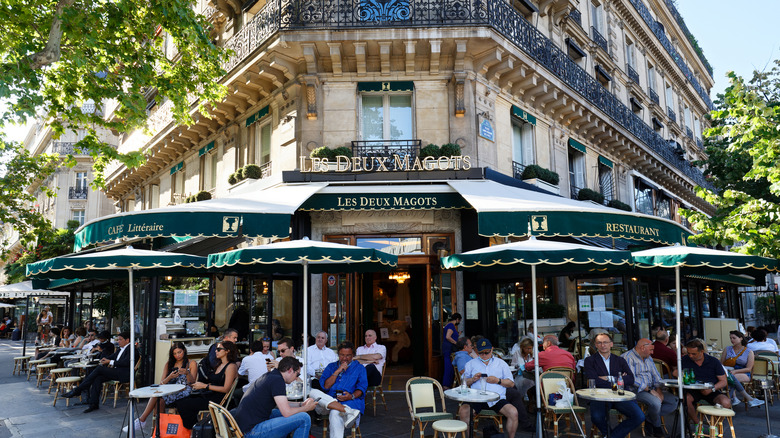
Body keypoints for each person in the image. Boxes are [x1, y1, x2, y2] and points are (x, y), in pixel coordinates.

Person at [231, 356, 318, 438]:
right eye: (297, 375)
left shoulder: (271, 376)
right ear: (290, 370)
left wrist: (301, 404)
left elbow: (283, 404)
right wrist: (306, 408)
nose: (296, 379)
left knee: (278, 412)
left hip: (244, 427)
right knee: (304, 418)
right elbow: (286, 412)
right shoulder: (277, 380)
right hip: (251, 431)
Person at [125, 342, 198, 432]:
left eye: (179, 352)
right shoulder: (169, 364)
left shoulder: (191, 363)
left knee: (158, 398)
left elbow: (192, 382)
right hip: (170, 390)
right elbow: (161, 383)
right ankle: (158, 429)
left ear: (184, 351)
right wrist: (170, 377)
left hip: (184, 390)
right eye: (175, 353)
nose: (177, 355)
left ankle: (147, 423)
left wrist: (187, 373)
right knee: (158, 397)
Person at [583, 332, 644, 438]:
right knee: (597, 417)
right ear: (596, 345)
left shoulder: (620, 360)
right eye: (599, 343)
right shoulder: (590, 361)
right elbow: (594, 381)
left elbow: (630, 378)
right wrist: (619, 379)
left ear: (611, 344)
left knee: (639, 416)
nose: (603, 345)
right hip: (600, 395)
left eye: (605, 342)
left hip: (620, 395)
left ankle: (611, 436)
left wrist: (609, 378)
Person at [459, 338, 523, 438]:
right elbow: (463, 382)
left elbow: (511, 383)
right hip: (476, 398)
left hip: (496, 399)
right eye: (481, 353)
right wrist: (473, 379)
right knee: (463, 411)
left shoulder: (501, 363)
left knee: (513, 412)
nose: (484, 355)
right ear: (477, 352)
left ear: (492, 349)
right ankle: (467, 437)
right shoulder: (471, 364)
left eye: (487, 352)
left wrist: (498, 380)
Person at [62, 332, 137, 413]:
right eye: (118, 339)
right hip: (116, 372)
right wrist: (104, 359)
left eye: (120, 340)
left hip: (124, 374)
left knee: (99, 369)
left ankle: (78, 390)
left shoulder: (132, 349)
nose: (118, 341)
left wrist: (110, 361)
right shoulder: (120, 349)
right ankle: (93, 404)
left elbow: (126, 363)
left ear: (127, 340)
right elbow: (111, 357)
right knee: (97, 378)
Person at [175, 340, 239, 429]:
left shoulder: (231, 366)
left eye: (219, 349)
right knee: (181, 401)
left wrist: (205, 386)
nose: (216, 351)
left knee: (183, 404)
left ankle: (194, 429)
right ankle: (196, 428)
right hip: (210, 395)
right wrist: (200, 385)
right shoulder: (219, 364)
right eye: (216, 349)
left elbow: (226, 389)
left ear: (227, 351)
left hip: (218, 400)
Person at [622, 338, 677, 438]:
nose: (652, 353)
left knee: (674, 401)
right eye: (651, 350)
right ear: (642, 348)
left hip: (652, 388)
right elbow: (631, 379)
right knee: (656, 403)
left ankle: (647, 419)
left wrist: (658, 390)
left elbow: (656, 375)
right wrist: (650, 390)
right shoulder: (628, 357)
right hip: (636, 390)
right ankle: (656, 427)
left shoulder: (648, 357)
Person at [315, 341, 365, 438]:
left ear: (353, 355)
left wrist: (351, 396)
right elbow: (326, 386)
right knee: (314, 393)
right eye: (342, 355)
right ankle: (347, 412)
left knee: (335, 413)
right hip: (330, 401)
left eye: (348, 355)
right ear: (338, 354)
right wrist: (337, 371)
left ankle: (347, 411)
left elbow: (362, 388)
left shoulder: (359, 368)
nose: (345, 358)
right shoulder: (331, 367)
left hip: (350, 402)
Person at [681, 339, 731, 425]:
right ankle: (697, 424)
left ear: (702, 352)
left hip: (711, 389)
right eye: (688, 353)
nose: (690, 356)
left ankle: (714, 425)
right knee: (685, 399)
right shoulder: (685, 360)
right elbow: (676, 372)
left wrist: (712, 389)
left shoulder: (713, 361)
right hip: (693, 389)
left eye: (694, 354)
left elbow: (723, 381)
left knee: (726, 402)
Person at [720, 331, 764, 408]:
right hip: (728, 371)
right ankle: (748, 399)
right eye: (730, 338)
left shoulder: (748, 351)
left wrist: (735, 371)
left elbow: (749, 368)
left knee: (731, 378)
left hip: (743, 372)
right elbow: (721, 364)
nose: (732, 340)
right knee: (729, 377)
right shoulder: (727, 349)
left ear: (740, 338)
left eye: (734, 338)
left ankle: (730, 400)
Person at [441, 313, 462, 388]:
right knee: (448, 367)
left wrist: (457, 335)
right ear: (457, 319)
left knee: (449, 366)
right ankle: (445, 385)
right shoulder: (451, 325)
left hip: (448, 348)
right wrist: (456, 343)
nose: (459, 322)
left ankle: (447, 384)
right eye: (459, 320)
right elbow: (448, 337)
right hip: (449, 348)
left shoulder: (448, 324)